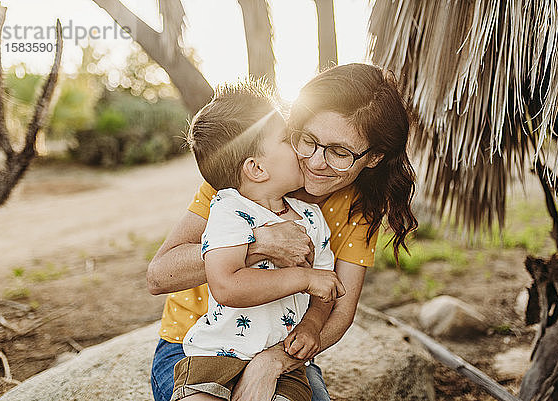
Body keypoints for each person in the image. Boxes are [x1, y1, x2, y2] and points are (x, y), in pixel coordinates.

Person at [148, 63, 418, 401]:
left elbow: (339, 307)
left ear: (374, 157)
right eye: (308, 140)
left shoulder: (355, 208)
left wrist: (273, 362)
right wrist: (260, 243)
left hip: (280, 348)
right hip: (196, 342)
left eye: (340, 152)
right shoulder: (240, 182)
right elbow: (158, 277)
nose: (317, 162)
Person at [170, 80, 344, 401]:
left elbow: (326, 291)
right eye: (286, 140)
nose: (299, 147)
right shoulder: (229, 209)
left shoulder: (312, 218)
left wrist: (310, 327)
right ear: (257, 168)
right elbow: (226, 284)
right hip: (216, 353)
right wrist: (302, 277)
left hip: (282, 362)